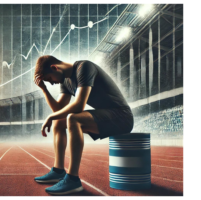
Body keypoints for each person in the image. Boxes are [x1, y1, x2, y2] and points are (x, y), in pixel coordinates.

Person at [33, 55, 134, 195]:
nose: (52, 83)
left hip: (122, 117)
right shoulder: (65, 81)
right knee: (59, 121)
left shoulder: (84, 67)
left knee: (74, 119)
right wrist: (44, 89)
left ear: (54, 68)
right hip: (106, 116)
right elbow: (58, 110)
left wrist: (50, 116)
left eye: (49, 79)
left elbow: (79, 105)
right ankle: (58, 171)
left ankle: (73, 180)